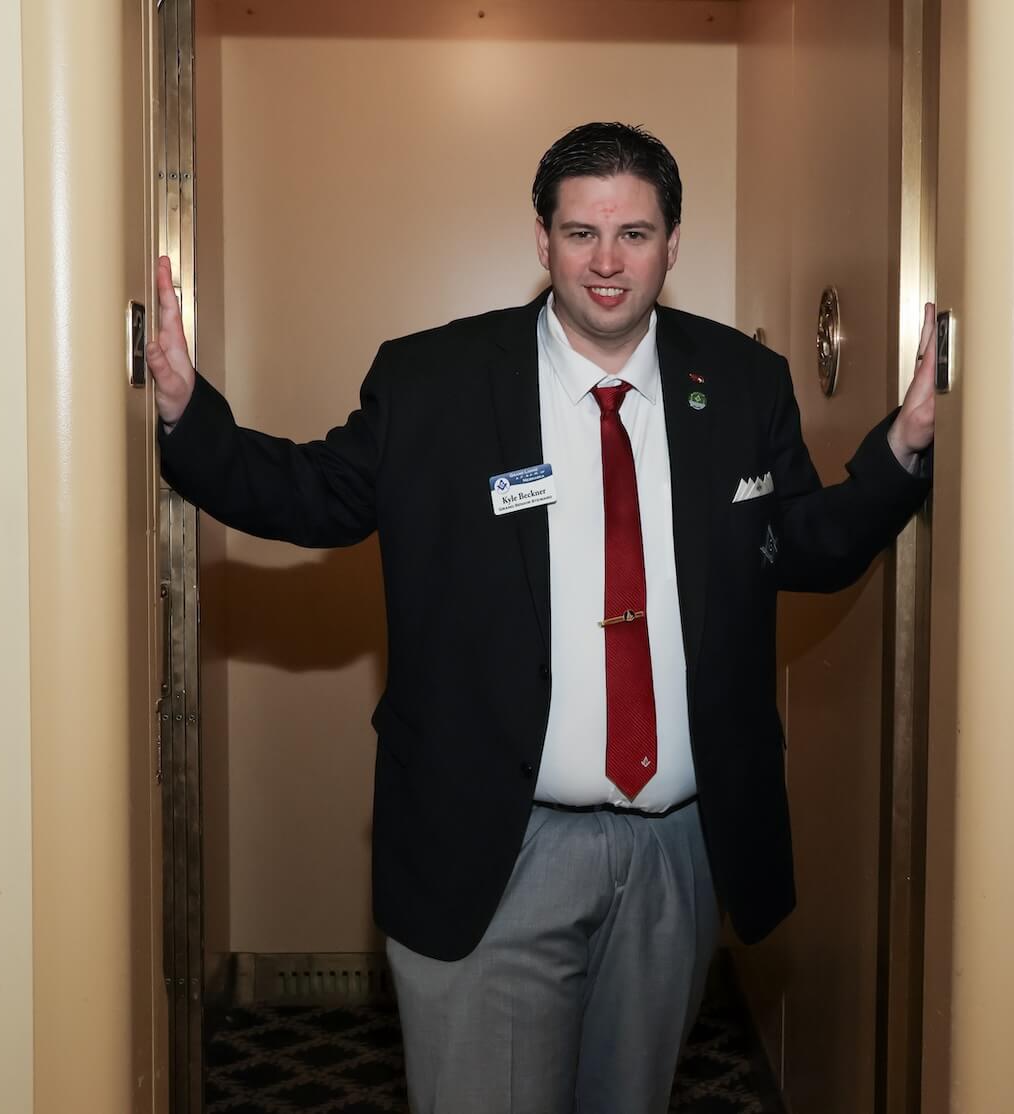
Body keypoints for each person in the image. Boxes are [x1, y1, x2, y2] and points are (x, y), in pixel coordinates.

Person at [147, 121, 935, 1114]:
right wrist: (186, 414)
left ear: (672, 245)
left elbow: (801, 544)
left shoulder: (736, 383)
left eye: (634, 234)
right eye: (580, 234)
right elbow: (311, 494)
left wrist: (901, 447)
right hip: (495, 846)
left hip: (675, 856)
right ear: (541, 239)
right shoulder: (435, 382)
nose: (606, 262)